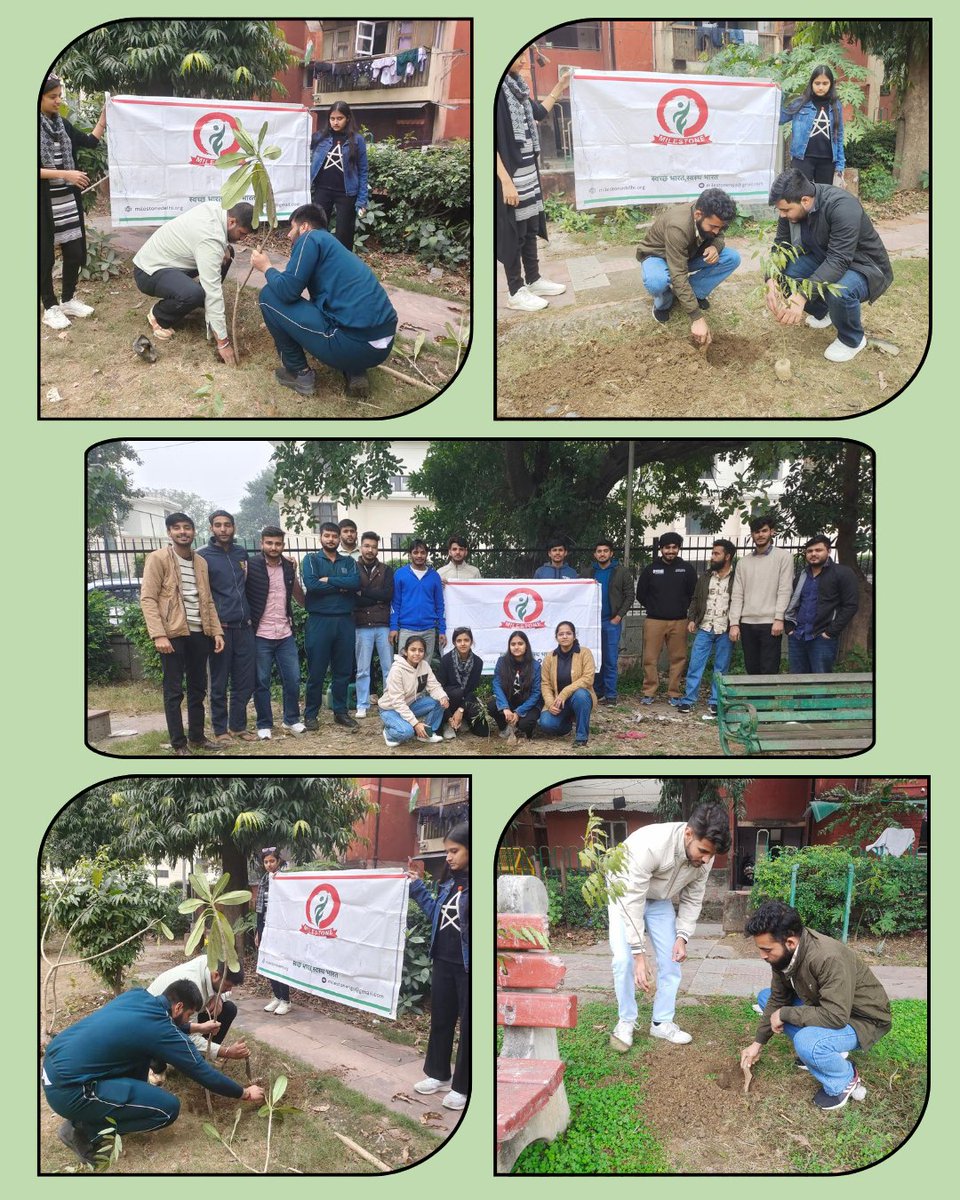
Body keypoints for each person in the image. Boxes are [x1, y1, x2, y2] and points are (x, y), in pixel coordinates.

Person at [42, 980, 263, 1167]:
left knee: (141, 1055)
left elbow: (155, 1028)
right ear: (177, 1007)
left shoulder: (138, 996)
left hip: (54, 1067)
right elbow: (202, 1071)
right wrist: (243, 1092)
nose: (188, 1021)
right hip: (70, 1091)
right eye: (188, 1015)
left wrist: (197, 1028)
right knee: (167, 1110)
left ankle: (98, 1112)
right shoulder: (160, 1029)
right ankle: (82, 1130)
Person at [740, 900, 891, 1111]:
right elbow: (777, 998)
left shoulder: (828, 957)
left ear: (790, 942)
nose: (762, 956)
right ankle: (818, 1053)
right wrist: (757, 1044)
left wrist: (785, 1013)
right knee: (767, 998)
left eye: (766, 950)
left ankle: (844, 1079)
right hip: (826, 1006)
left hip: (861, 1019)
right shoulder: (783, 955)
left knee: (807, 1041)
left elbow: (836, 1016)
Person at [608, 805, 731, 1052]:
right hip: (625, 892)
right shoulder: (651, 845)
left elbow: (693, 898)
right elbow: (633, 901)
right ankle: (626, 1021)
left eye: (711, 854)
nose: (706, 859)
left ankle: (661, 1022)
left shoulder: (705, 856)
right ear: (688, 834)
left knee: (671, 960)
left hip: (659, 899)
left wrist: (682, 937)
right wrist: (638, 954)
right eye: (703, 851)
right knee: (624, 962)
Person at [251, 203, 397, 399]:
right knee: (333, 310)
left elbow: (287, 292)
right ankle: (355, 370)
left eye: (291, 228)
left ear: (304, 227)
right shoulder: (333, 246)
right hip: (382, 344)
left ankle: (298, 373)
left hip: (354, 345)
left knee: (269, 295)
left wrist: (266, 267)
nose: (288, 235)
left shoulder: (310, 238)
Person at [765, 168, 893, 362]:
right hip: (825, 258)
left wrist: (800, 298)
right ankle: (826, 312)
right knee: (785, 276)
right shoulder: (792, 210)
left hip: (863, 266)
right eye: (779, 210)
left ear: (805, 201)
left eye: (785, 210)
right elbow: (780, 246)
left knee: (838, 290)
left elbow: (839, 260)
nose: (782, 215)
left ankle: (853, 340)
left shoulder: (842, 206)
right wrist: (770, 280)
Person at [139, 512, 223, 756]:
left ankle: (197, 737)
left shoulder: (201, 563)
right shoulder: (158, 559)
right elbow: (148, 598)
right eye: (177, 528)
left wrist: (216, 631)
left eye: (187, 527)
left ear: (194, 531)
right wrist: (159, 635)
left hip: (200, 632)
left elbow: (206, 600)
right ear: (169, 532)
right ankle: (179, 743)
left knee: (198, 689)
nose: (183, 532)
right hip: (172, 633)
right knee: (174, 690)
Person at [132, 201, 253, 364]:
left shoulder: (217, 211)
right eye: (242, 233)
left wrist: (223, 245)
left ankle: (196, 302)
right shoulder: (209, 239)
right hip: (148, 271)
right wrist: (223, 343)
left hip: (172, 261)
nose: (243, 239)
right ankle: (159, 315)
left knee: (227, 253)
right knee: (195, 294)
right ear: (231, 222)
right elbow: (213, 291)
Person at [496, 51, 569, 312]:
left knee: (528, 227)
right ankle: (515, 291)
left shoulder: (518, 88)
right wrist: (505, 180)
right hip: (510, 174)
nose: (525, 61)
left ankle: (534, 279)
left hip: (528, 170)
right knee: (513, 231)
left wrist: (560, 86)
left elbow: (539, 112)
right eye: (519, 57)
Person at [406, 822, 470, 1111]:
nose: (448, 857)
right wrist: (418, 887)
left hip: (467, 967)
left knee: (469, 1027)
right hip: (443, 960)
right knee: (441, 1019)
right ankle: (439, 1074)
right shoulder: (448, 883)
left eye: (454, 851)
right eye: (447, 852)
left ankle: (464, 1086)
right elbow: (436, 916)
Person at [40, 74, 105, 330]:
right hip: (44, 205)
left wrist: (103, 120)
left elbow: (89, 141)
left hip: (67, 201)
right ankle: (50, 306)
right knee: (44, 257)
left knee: (75, 252)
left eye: (60, 96)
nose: (58, 101)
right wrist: (66, 174)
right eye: (52, 97)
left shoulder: (62, 125)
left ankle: (68, 299)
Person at [635, 188, 741, 346]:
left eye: (720, 227)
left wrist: (715, 247)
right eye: (713, 227)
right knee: (657, 281)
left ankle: (694, 293)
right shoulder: (678, 227)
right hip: (659, 256)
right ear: (698, 215)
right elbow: (678, 273)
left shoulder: (711, 217)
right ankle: (665, 302)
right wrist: (696, 317)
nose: (716, 231)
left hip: (687, 253)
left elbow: (719, 236)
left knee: (731, 258)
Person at [197, 510, 256, 743]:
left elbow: (249, 583)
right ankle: (220, 730)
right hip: (219, 629)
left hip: (245, 627)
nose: (223, 529)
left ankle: (238, 726)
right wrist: (212, 627)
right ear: (211, 528)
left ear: (234, 527)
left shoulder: (241, 553)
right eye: (218, 525)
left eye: (228, 525)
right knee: (219, 682)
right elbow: (203, 594)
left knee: (245, 681)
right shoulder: (202, 556)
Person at [246, 525, 306, 740]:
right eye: (269, 543)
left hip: (284, 632)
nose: (273, 547)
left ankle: (291, 719)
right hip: (260, 633)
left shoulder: (289, 566)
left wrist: (296, 574)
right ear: (262, 543)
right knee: (261, 681)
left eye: (278, 543)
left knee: (293, 678)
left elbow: (297, 595)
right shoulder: (250, 565)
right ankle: (264, 723)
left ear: (283, 544)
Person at [301, 521, 360, 731]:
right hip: (319, 620)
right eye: (327, 536)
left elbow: (355, 583)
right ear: (321, 538)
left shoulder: (349, 562)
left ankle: (340, 712)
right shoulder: (311, 560)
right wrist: (340, 585)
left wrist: (329, 580)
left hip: (344, 620)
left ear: (339, 539)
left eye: (335, 536)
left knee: (343, 670)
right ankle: (310, 714)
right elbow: (312, 585)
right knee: (316, 671)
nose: (331, 539)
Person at [146, 958, 249, 1069]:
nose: (229, 990)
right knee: (180, 1038)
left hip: (173, 1014)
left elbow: (223, 992)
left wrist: (218, 996)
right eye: (227, 986)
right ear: (215, 976)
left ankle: (201, 1056)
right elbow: (187, 1034)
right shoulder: (194, 988)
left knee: (228, 1009)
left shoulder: (211, 962)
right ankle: (158, 1061)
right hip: (153, 1023)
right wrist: (226, 1052)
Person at [636, 533, 698, 707]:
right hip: (654, 620)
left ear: (678, 548)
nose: (671, 551)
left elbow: (693, 594)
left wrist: (681, 607)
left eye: (674, 547)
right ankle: (649, 691)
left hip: (679, 620)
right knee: (650, 658)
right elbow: (641, 594)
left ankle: (674, 692)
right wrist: (654, 607)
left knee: (678, 658)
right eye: (667, 548)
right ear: (661, 549)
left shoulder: (687, 569)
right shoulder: (650, 569)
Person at [728, 515, 794, 676]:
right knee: (752, 668)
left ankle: (767, 702)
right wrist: (734, 623)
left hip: (770, 623)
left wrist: (779, 619)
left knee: (769, 668)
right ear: (752, 534)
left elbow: (785, 590)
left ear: (772, 532)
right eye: (756, 532)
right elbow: (737, 595)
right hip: (747, 623)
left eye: (764, 531)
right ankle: (754, 702)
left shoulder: (784, 557)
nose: (760, 535)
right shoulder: (743, 562)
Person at [678, 539, 736, 717]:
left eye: (716, 553)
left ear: (727, 556)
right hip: (705, 626)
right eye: (712, 553)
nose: (712, 557)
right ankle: (689, 700)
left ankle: (715, 702)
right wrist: (692, 619)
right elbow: (696, 598)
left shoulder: (737, 577)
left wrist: (736, 624)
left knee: (721, 667)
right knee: (695, 664)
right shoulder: (705, 576)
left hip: (725, 628)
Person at [784, 536, 859, 673]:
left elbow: (851, 605)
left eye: (818, 550)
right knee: (797, 682)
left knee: (821, 682)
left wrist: (830, 632)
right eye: (809, 551)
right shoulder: (802, 575)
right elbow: (792, 602)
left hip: (822, 637)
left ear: (828, 551)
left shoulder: (842, 573)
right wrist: (789, 628)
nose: (813, 554)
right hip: (798, 636)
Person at [310, 100, 368, 252]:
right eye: (332, 118)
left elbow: (363, 170)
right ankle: (317, 261)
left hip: (347, 194)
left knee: (344, 234)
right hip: (322, 190)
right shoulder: (319, 137)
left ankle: (342, 266)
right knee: (317, 229)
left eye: (339, 118)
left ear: (348, 118)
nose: (335, 122)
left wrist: (362, 200)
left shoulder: (357, 140)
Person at [582, 539, 633, 704]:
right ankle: (596, 692)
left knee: (610, 659)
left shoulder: (621, 572)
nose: (602, 554)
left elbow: (630, 595)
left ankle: (611, 695)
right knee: (594, 659)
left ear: (611, 553)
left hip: (610, 622)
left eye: (605, 551)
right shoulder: (588, 572)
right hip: (591, 624)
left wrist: (618, 617)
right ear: (595, 554)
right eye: (599, 551)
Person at [780, 65, 846, 187]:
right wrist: (779, 94)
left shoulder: (836, 106)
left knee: (823, 198)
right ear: (811, 83)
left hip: (827, 161)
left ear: (831, 84)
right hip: (802, 159)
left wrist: (840, 164)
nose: (821, 87)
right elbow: (780, 118)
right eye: (817, 83)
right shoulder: (800, 103)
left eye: (825, 83)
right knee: (800, 196)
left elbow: (839, 134)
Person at [378, 635, 449, 747]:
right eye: (413, 649)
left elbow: (434, 686)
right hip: (390, 709)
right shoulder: (397, 670)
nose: (417, 653)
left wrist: (443, 697)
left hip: (410, 704)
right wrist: (415, 724)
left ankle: (426, 734)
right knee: (407, 732)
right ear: (406, 652)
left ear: (424, 653)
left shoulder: (424, 665)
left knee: (438, 702)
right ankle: (389, 732)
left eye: (420, 650)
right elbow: (397, 702)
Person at [354, 531, 394, 719]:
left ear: (378, 549)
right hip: (361, 625)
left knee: (389, 667)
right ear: (361, 547)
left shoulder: (386, 570)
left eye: (374, 547)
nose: (370, 550)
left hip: (383, 624)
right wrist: (373, 597)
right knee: (362, 669)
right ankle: (362, 704)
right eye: (367, 546)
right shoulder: (352, 567)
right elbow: (353, 597)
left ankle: (387, 702)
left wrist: (364, 593)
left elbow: (387, 595)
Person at [538, 621, 596, 747]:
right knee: (546, 724)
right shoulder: (550, 657)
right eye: (561, 634)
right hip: (558, 702)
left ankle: (581, 737)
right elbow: (545, 683)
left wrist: (565, 692)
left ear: (574, 636)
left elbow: (588, 678)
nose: (564, 636)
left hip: (579, 698)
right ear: (556, 637)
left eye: (568, 633)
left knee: (581, 694)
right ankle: (568, 725)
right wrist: (549, 703)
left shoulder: (584, 653)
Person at [390, 540, 446, 661]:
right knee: (404, 668)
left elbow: (440, 605)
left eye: (422, 552)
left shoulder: (434, 576)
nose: (419, 555)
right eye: (415, 552)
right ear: (410, 554)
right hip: (406, 629)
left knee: (424, 669)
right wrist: (394, 627)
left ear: (427, 554)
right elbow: (395, 603)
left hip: (429, 630)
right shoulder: (400, 574)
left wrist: (442, 630)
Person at [255, 848, 293, 1015]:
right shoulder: (264, 880)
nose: (269, 865)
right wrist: (258, 931)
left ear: (278, 861)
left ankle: (286, 1000)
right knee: (268, 961)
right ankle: (277, 996)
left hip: (281, 928)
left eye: (272, 861)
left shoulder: (285, 880)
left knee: (280, 963)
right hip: (265, 926)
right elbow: (260, 908)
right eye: (266, 862)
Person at [488, 631, 542, 741]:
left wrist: (519, 712)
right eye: (513, 644)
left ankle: (521, 728)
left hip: (528, 704)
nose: (516, 647)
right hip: (510, 701)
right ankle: (506, 727)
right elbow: (496, 684)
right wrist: (505, 707)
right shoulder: (502, 662)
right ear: (509, 646)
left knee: (525, 724)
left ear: (526, 646)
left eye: (520, 644)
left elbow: (536, 693)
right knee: (492, 706)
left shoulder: (535, 666)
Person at [436, 627, 488, 740]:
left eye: (466, 640)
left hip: (467, 700)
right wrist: (450, 716)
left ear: (471, 641)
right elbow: (439, 688)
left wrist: (460, 710)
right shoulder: (446, 660)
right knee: (457, 692)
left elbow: (473, 690)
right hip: (448, 700)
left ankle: (463, 719)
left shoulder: (478, 662)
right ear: (454, 642)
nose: (463, 644)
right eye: (459, 641)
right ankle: (448, 723)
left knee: (483, 731)